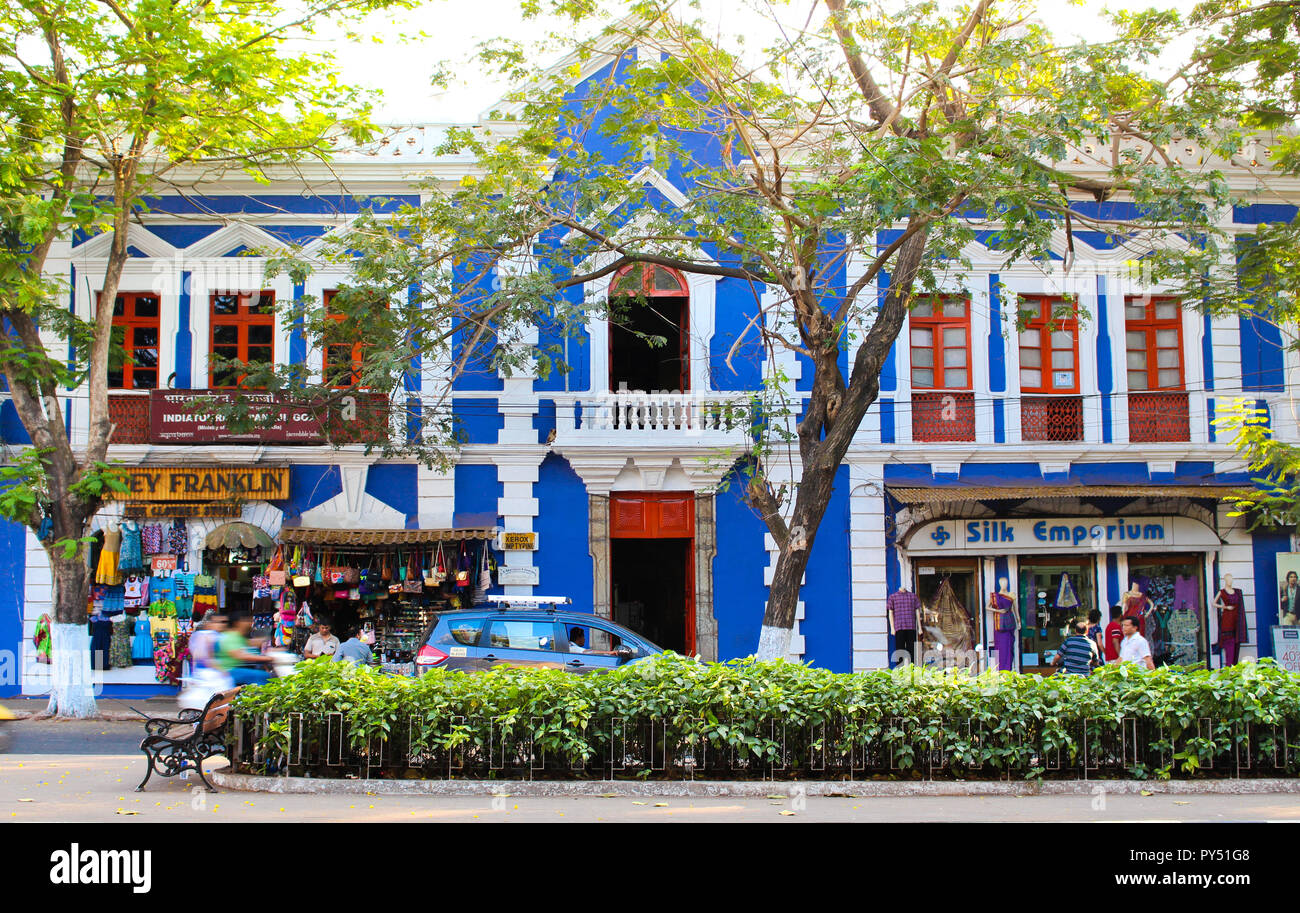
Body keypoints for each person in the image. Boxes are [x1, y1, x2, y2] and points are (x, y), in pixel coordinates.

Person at [215, 609, 277, 686]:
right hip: (228, 671)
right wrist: (270, 658)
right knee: (264, 676)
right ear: (238, 623)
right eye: (247, 620)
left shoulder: (238, 636)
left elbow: (250, 644)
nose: (250, 623)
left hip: (234, 669)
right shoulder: (231, 636)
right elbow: (239, 655)